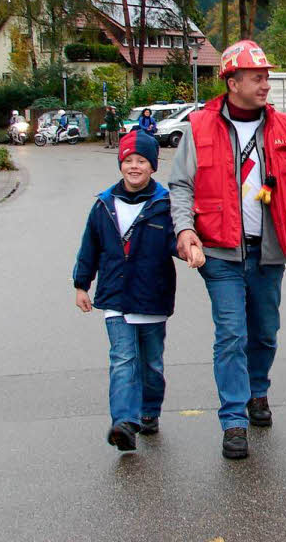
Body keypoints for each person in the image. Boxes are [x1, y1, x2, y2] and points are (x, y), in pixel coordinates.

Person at [168, 39, 286, 460]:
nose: (265, 84)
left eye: (267, 76)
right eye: (257, 77)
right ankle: (233, 419)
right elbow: (180, 185)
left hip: (270, 251)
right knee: (231, 333)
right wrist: (184, 230)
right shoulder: (199, 127)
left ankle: (258, 391)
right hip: (219, 253)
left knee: (265, 332)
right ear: (231, 82)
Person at [73, 129, 191, 452]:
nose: (134, 166)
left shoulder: (163, 204)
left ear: (153, 166)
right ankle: (124, 422)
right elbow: (90, 248)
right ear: (120, 164)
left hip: (152, 297)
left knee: (152, 363)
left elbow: (176, 242)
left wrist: (188, 249)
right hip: (114, 298)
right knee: (123, 359)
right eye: (128, 160)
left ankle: (149, 410)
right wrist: (82, 284)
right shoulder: (103, 204)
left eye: (141, 161)